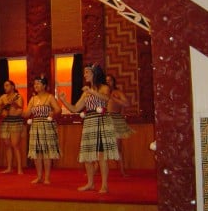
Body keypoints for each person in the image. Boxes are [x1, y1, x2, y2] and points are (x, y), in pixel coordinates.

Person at [59, 64, 119, 193]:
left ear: (94, 73)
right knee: (87, 155)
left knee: (101, 155)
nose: (84, 75)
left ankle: (104, 185)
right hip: (89, 122)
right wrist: (63, 100)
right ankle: (90, 183)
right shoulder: (86, 92)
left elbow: (106, 98)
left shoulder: (104, 87)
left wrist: (92, 91)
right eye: (84, 72)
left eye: (87, 72)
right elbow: (75, 108)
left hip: (101, 121)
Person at [23, 76, 61, 185]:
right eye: (35, 84)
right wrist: (18, 110)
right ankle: (39, 176)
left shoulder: (50, 97)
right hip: (35, 127)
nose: (36, 86)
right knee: (37, 154)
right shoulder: (33, 99)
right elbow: (27, 113)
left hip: (47, 127)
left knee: (46, 153)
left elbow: (58, 109)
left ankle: (47, 178)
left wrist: (52, 113)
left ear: (44, 86)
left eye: (38, 83)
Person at [0, 80, 25, 175]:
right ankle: (9, 168)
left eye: (7, 85)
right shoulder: (3, 97)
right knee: (7, 145)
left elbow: (20, 110)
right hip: (5, 122)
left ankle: (19, 169)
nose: (5, 87)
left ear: (13, 87)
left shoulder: (18, 97)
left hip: (15, 121)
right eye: (4, 86)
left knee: (15, 145)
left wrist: (14, 105)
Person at [106, 74, 134, 177]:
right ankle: (96, 169)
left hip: (115, 120)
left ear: (114, 82)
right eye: (106, 81)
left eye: (110, 80)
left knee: (118, 148)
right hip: (105, 120)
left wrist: (114, 98)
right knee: (102, 146)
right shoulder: (102, 93)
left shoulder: (118, 92)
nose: (108, 83)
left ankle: (122, 171)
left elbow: (127, 104)